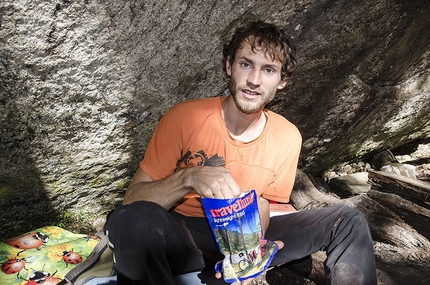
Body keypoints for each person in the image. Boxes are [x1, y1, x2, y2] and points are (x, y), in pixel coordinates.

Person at [104, 20, 377, 285]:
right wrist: (188, 177)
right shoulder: (183, 118)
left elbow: (265, 203)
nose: (254, 81)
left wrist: (248, 252)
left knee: (347, 220)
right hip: (182, 237)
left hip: (241, 237)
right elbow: (132, 200)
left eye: (269, 70)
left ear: (283, 80)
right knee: (129, 220)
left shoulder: (287, 136)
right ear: (229, 66)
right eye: (246, 64)